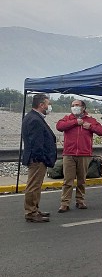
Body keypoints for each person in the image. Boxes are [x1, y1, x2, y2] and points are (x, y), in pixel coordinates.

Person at [56, 100, 102, 212]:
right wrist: (75, 122)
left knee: (81, 180)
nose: (74, 107)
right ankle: (65, 203)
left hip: (84, 154)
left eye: (77, 105)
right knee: (67, 180)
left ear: (83, 107)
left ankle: (80, 200)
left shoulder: (90, 119)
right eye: (72, 105)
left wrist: (90, 127)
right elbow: (59, 126)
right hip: (69, 154)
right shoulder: (67, 118)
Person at [21, 94, 57, 223]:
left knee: (36, 185)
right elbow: (36, 142)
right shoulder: (34, 119)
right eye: (48, 103)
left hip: (37, 158)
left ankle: (34, 209)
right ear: (41, 105)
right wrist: (41, 158)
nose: (49, 106)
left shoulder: (34, 117)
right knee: (34, 186)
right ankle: (31, 212)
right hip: (37, 159)